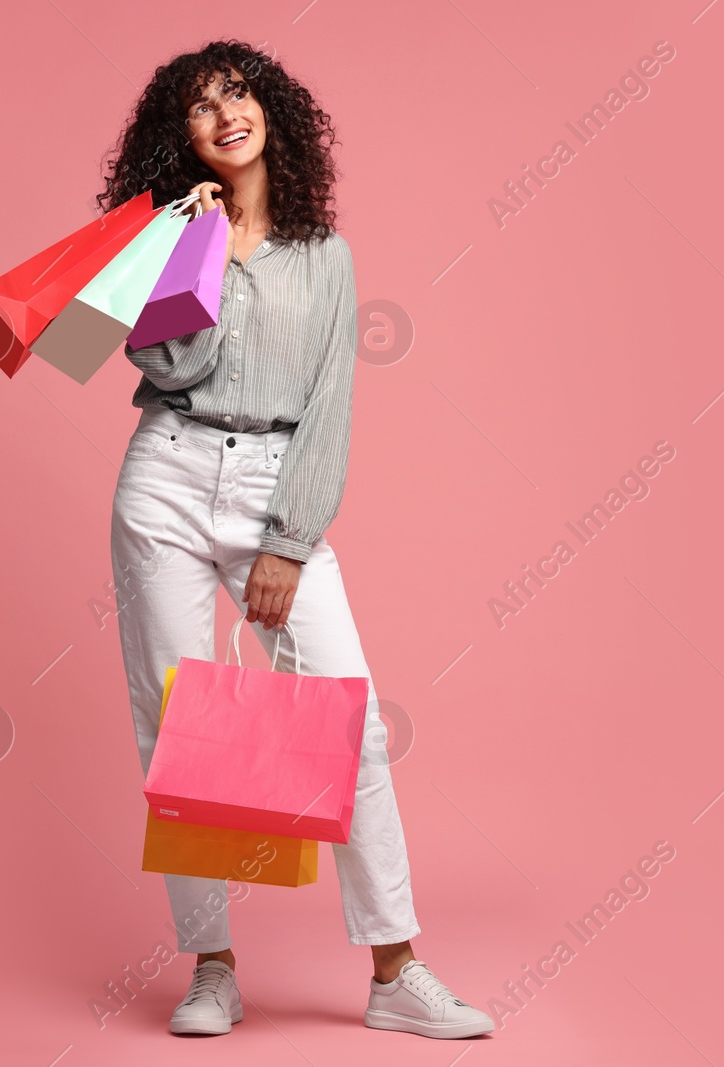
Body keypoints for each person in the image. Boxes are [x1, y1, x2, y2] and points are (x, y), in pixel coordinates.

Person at [101, 40, 495, 1040]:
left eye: (235, 92)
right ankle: (213, 966)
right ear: (176, 136)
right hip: (169, 475)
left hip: (278, 480)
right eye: (199, 108)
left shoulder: (327, 255)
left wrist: (289, 538)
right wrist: (180, 249)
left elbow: (330, 405)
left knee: (349, 722)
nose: (224, 115)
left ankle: (395, 967)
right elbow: (161, 364)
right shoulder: (165, 234)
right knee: (173, 725)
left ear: (268, 106)